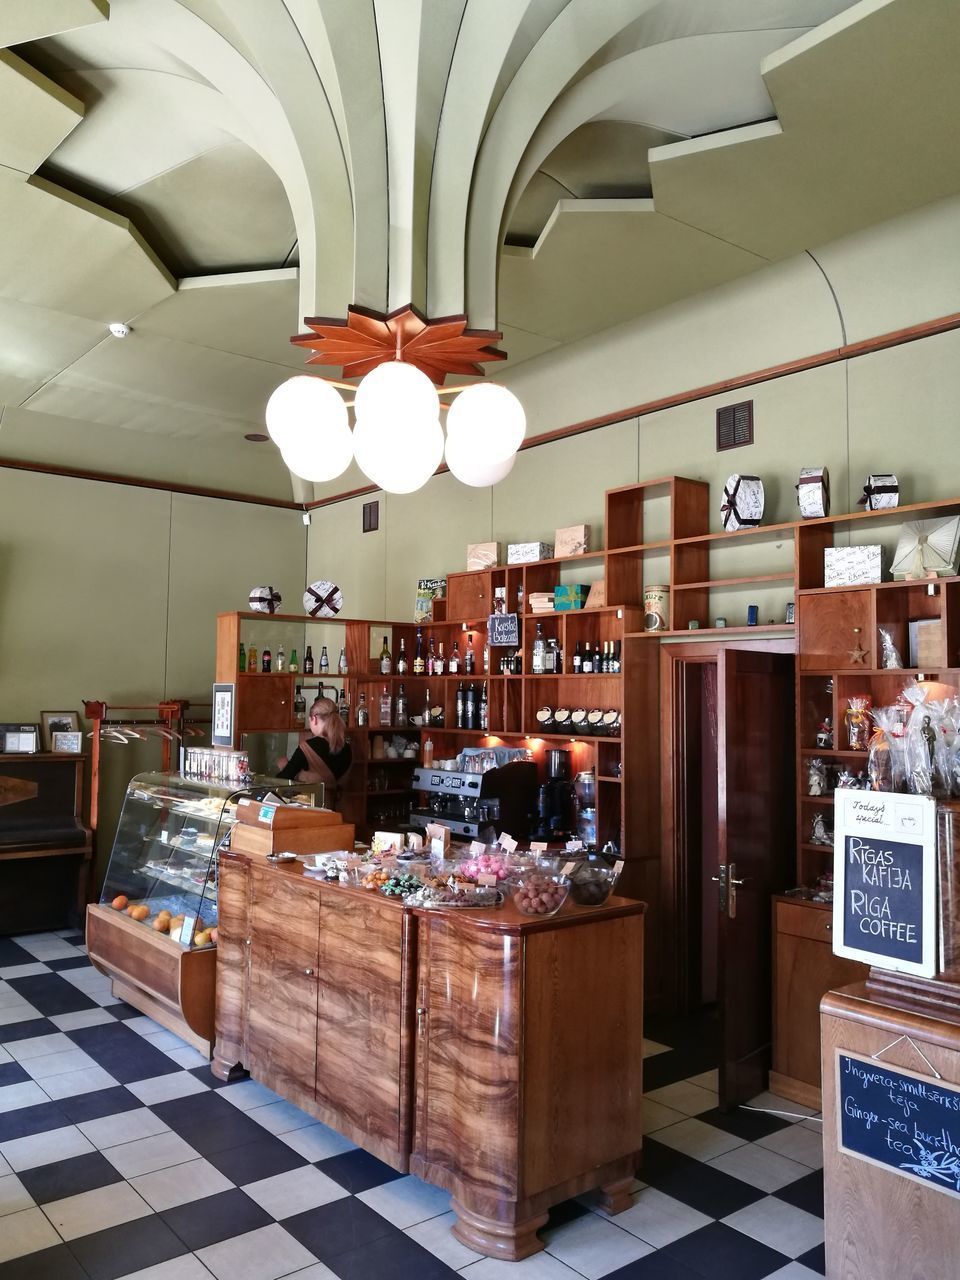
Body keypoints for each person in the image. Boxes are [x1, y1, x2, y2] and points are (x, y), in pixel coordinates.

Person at [276, 696, 352, 789]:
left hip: (312, 803)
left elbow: (282, 780)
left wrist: (283, 766)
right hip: (338, 803)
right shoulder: (347, 748)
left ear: (314, 718)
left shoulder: (307, 748)